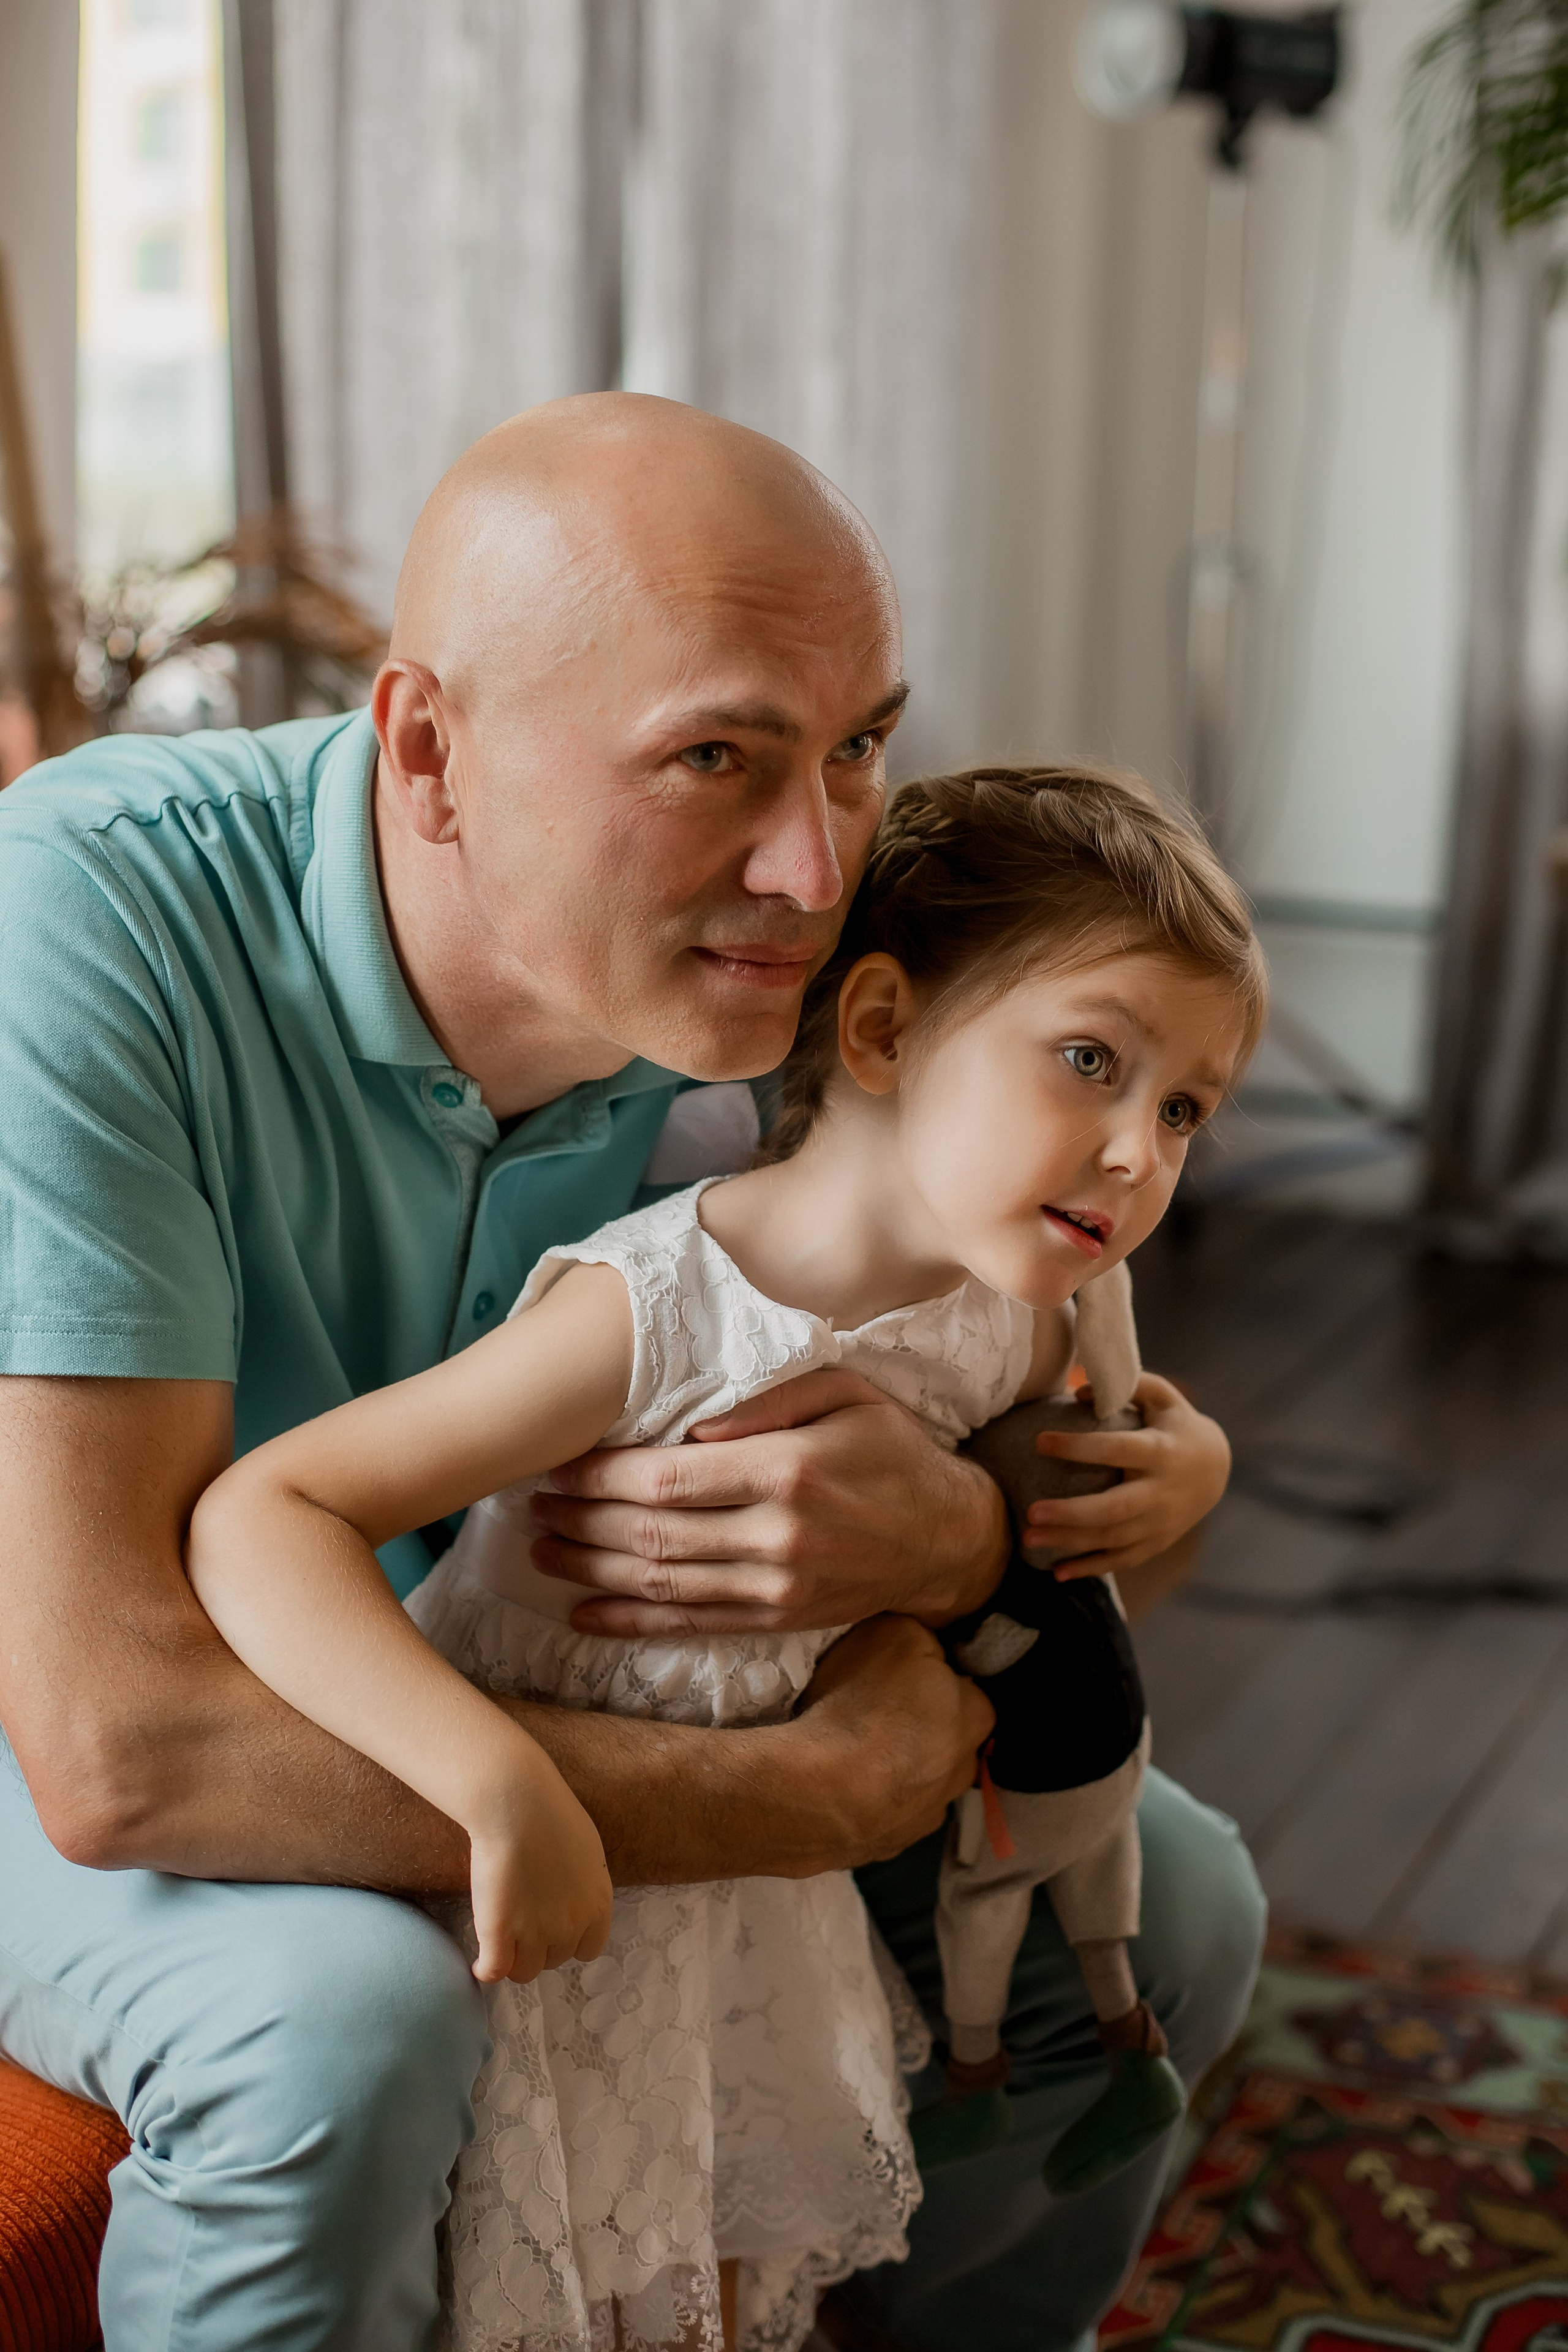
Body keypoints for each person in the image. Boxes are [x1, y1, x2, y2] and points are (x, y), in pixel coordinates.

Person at [0, 394, 1262, 2352]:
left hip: (499, 1655)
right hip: (73, 1692)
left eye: (857, 749)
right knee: (338, 2028)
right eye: (714, 759)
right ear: (431, 750)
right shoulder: (81, 916)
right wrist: (784, 1798)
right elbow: (119, 1739)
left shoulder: (782, 976)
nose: (815, 858)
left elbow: (1054, 1496)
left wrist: (974, 1533)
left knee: (1173, 1902)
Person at [183, 761, 1267, 2352]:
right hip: (556, 1882)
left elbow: (1092, 1571)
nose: (1136, 1154)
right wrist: (494, 1785)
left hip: (760, 1897)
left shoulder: (1016, 1309)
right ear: (884, 1030)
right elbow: (264, 1516)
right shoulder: (655, 1307)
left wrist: (1201, 1462)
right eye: (1092, 1062)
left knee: (750, 2285)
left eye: (1183, 1108)